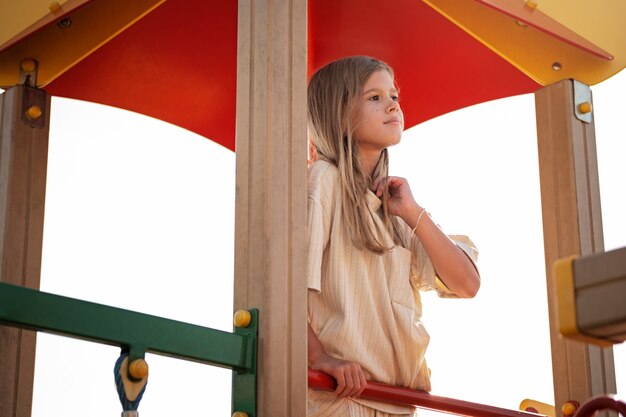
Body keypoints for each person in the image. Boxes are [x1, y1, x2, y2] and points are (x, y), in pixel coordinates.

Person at [306, 55, 481, 417]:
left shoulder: (396, 209)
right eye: (374, 97)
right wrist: (319, 356)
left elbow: (467, 284)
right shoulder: (323, 181)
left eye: (394, 96)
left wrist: (415, 214)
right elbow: (284, 287)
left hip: (398, 403)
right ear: (339, 113)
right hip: (339, 399)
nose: (392, 104)